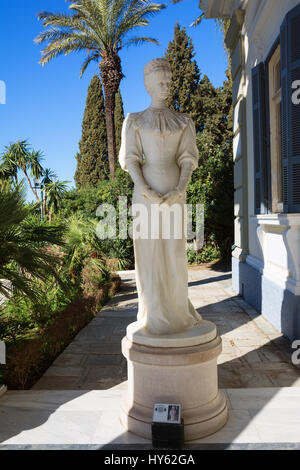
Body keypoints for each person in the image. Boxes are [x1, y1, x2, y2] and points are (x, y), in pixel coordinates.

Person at [119, 58, 202, 335]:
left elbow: (188, 158)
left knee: (175, 253)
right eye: (161, 82)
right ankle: (152, 313)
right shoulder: (135, 121)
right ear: (148, 85)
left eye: (169, 82)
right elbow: (131, 160)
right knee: (149, 255)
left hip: (175, 194)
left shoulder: (183, 121)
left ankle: (177, 311)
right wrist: (145, 189)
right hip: (145, 196)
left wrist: (180, 189)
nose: (167, 87)